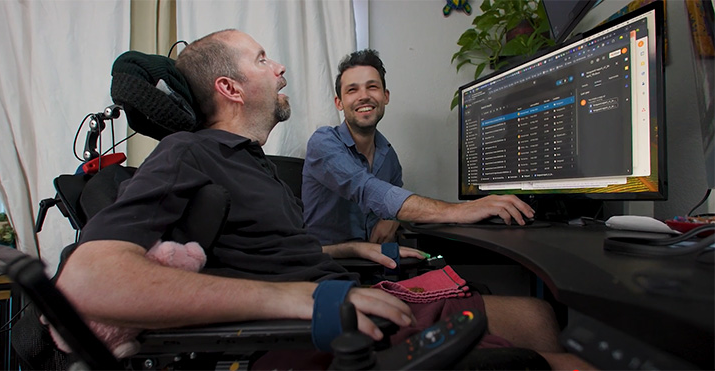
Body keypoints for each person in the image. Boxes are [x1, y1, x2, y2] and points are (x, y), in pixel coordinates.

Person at [56, 29, 593, 370]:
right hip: (313, 327)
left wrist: (350, 253)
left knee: (538, 317)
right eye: (263, 59)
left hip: (338, 291)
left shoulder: (251, 163)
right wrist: (304, 300)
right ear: (232, 88)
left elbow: (260, 251)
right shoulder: (188, 153)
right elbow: (87, 280)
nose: (280, 68)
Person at [302, 49, 535, 245]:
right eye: (352, 90)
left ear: (385, 97)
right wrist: (459, 211)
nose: (364, 96)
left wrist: (391, 218)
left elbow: (394, 191)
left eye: (372, 87)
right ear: (339, 103)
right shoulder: (323, 142)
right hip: (327, 267)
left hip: (374, 265)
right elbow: (366, 189)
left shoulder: (388, 155)